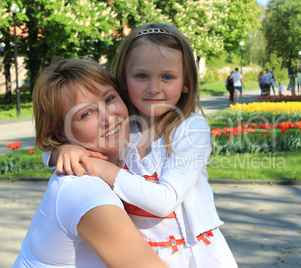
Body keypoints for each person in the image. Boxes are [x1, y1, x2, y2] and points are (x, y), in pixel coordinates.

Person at [47, 24, 238, 267]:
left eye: (167, 77)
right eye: (141, 76)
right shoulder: (122, 125)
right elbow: (50, 153)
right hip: (139, 251)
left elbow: (164, 201)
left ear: (186, 83)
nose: (153, 88)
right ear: (123, 80)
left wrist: (99, 167)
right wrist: (60, 151)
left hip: (192, 251)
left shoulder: (189, 129)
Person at [13, 59, 167, 267]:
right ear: (61, 132)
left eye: (110, 98)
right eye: (85, 114)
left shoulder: (127, 154)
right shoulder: (84, 190)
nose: (108, 117)